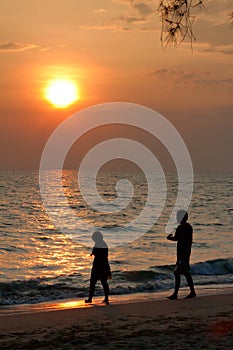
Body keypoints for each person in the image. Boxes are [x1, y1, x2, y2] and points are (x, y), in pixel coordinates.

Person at [167, 210, 196, 300]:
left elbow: (189, 242)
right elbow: (176, 238)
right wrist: (170, 238)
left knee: (178, 272)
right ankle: (191, 292)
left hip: (184, 253)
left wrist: (185, 254)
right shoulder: (182, 227)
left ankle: (177, 294)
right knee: (183, 272)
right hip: (181, 253)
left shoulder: (187, 228)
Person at [85, 231, 111, 305]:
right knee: (95, 282)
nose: (93, 240)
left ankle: (105, 298)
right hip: (98, 265)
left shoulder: (102, 244)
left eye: (94, 238)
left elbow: (104, 256)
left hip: (101, 265)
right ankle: (91, 298)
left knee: (101, 282)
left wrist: (99, 263)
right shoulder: (98, 243)